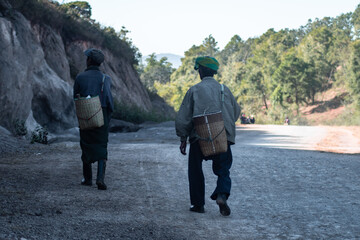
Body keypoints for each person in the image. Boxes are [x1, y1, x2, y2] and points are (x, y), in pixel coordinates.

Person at [175, 56, 241, 216]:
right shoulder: (224, 89)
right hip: (221, 137)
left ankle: (198, 205)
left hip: (199, 137)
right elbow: (236, 112)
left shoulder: (194, 90)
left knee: (195, 169)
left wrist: (183, 138)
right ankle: (221, 195)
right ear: (214, 72)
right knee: (223, 169)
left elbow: (183, 117)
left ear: (202, 71)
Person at [73, 48, 114, 190]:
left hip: (85, 113)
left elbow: (75, 96)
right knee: (102, 145)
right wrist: (108, 115)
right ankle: (100, 178)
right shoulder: (105, 78)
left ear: (89, 60)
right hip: (101, 114)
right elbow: (109, 100)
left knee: (86, 144)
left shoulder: (80, 77)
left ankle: (87, 178)